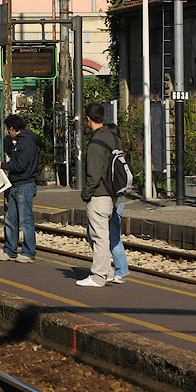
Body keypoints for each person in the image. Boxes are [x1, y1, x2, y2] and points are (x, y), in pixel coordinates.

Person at [78, 102, 119, 287]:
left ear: (88, 119)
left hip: (99, 194)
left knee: (99, 236)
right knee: (98, 234)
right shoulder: (113, 138)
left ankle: (98, 276)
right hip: (112, 193)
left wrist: (85, 193)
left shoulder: (95, 143)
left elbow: (93, 175)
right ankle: (108, 271)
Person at [0, 114, 38, 263]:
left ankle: (29, 252)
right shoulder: (19, 141)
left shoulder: (27, 142)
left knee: (25, 220)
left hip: (24, 184)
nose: (7, 133)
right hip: (15, 184)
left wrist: (2, 165)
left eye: (7, 130)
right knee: (11, 219)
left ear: (12, 128)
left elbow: (21, 165)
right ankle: (10, 250)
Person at [103, 122, 129, 283]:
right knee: (113, 234)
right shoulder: (121, 153)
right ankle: (118, 269)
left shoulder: (110, 154)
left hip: (113, 199)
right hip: (121, 198)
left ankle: (120, 270)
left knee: (112, 236)